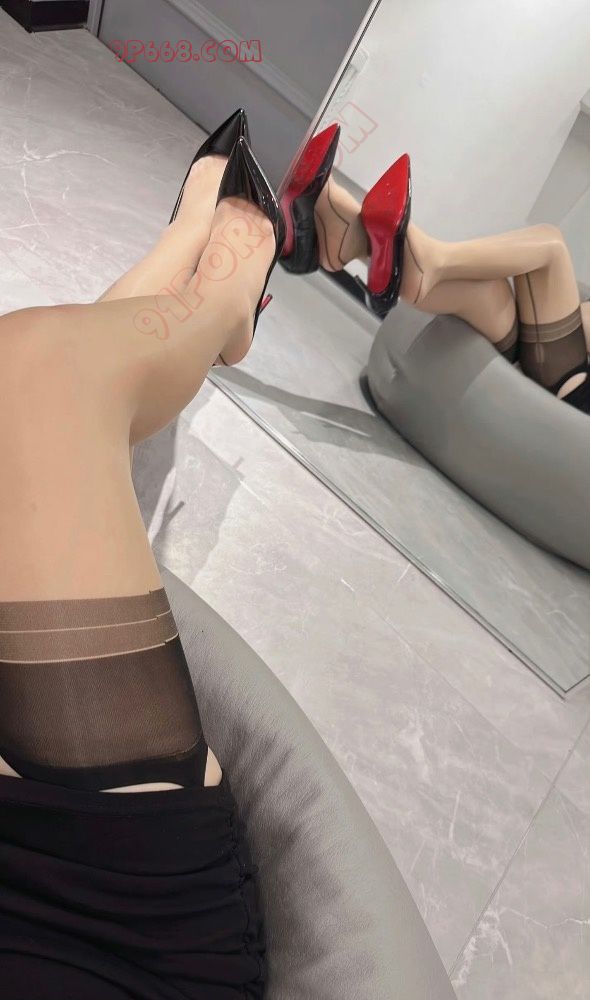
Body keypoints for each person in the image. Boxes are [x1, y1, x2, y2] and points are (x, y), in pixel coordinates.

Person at [0, 109, 283, 999]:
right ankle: (224, 294)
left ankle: (190, 258)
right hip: (87, 922)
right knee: (36, 378)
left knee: (36, 397)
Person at [281, 133, 590, 415]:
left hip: (573, 393)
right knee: (487, 288)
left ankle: (429, 259)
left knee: (550, 248)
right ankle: (346, 241)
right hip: (552, 363)